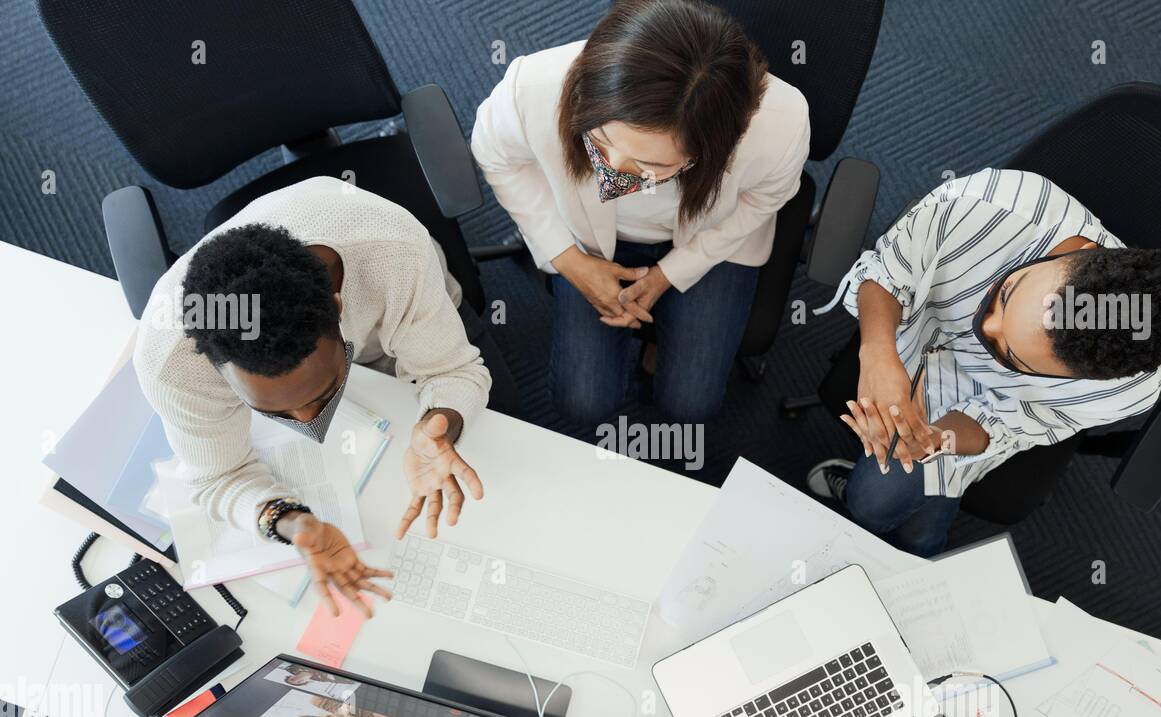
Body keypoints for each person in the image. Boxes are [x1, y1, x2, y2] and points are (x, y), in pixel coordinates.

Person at [136, 176, 504, 616]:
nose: (312, 423)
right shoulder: (172, 363)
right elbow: (217, 478)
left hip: (396, 326)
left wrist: (439, 423)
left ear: (338, 308)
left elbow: (452, 369)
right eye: (272, 410)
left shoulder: (394, 250)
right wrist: (291, 522)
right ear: (215, 367)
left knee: (506, 430)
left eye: (324, 393)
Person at [807, 168, 1161, 556]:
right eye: (1006, 293)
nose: (984, 326)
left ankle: (920, 545)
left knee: (880, 504)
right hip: (907, 333)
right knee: (877, 503)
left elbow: (1008, 423)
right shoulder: (984, 204)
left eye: (1007, 353)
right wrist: (877, 350)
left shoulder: (1120, 394)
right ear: (1078, 254)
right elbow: (890, 268)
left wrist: (936, 440)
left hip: (975, 409)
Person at [471, 0, 810, 425]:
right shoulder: (534, 84)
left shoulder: (781, 123)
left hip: (712, 239)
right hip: (588, 241)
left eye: (649, 167)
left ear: (710, 149)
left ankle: (656, 346)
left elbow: (762, 200)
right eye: (599, 137)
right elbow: (495, 156)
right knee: (583, 403)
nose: (610, 170)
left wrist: (671, 273)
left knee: (690, 404)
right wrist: (569, 261)